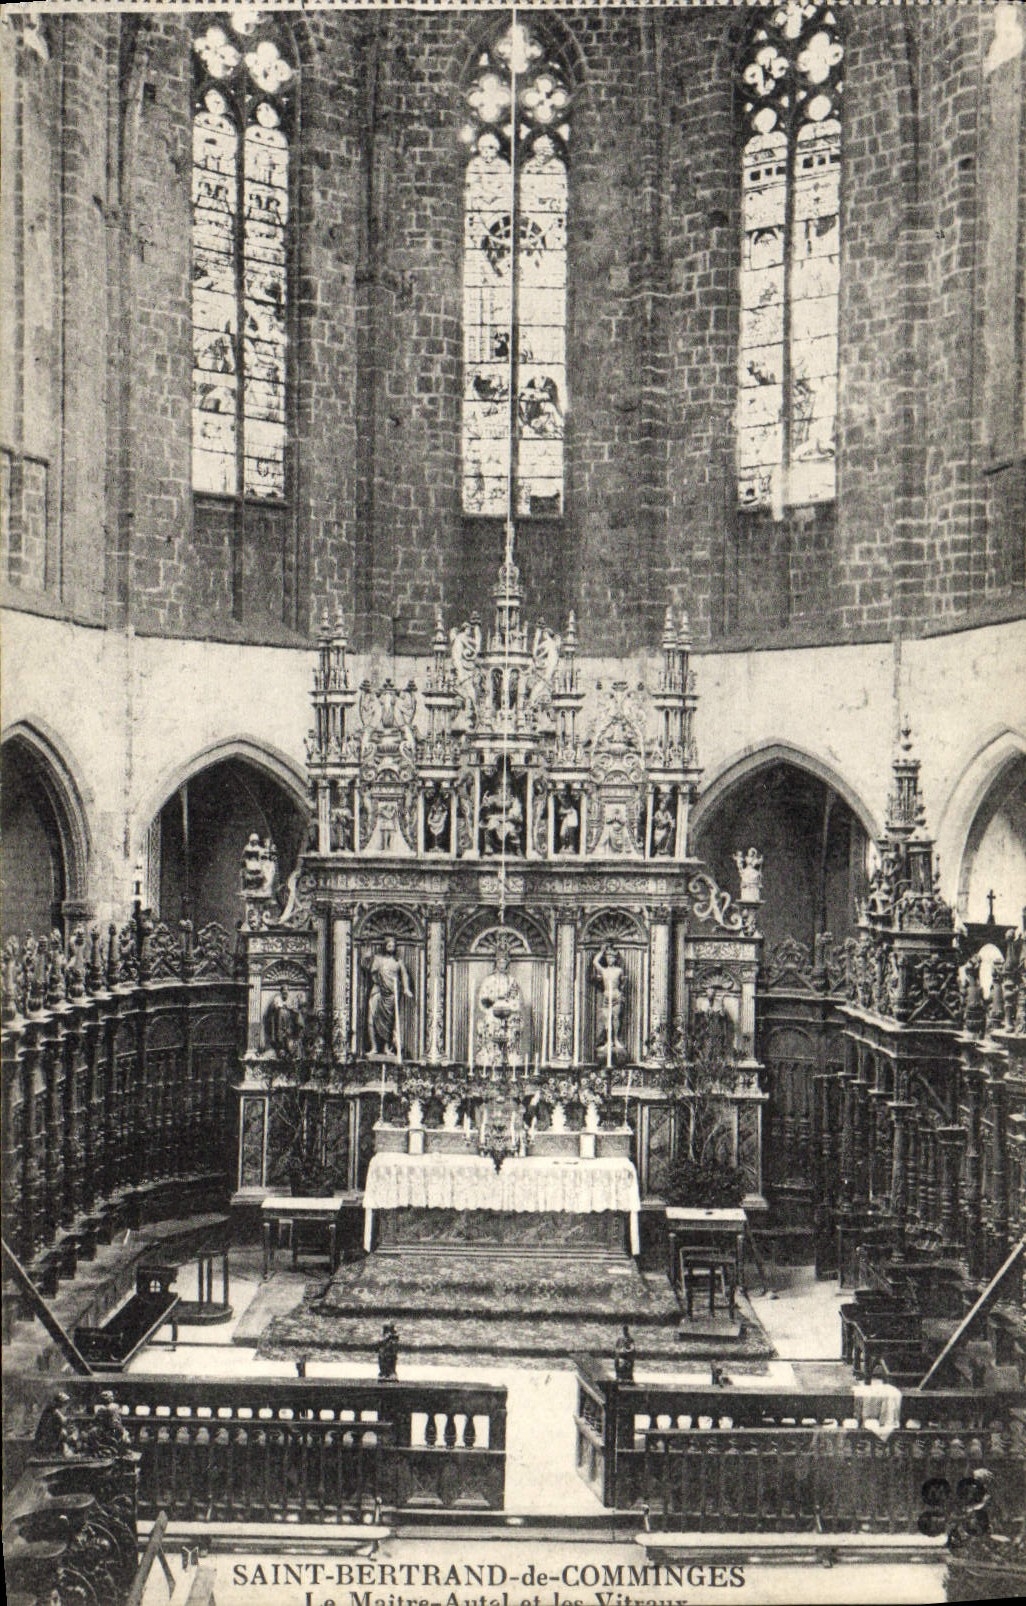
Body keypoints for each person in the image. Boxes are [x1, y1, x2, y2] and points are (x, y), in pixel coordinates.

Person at [475, 938, 524, 1068]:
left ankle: (510, 1057)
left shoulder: (511, 981)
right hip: (492, 1015)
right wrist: (494, 1003)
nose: (502, 964)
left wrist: (508, 1004)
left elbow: (516, 1001)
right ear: (496, 962)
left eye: (504, 962)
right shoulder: (488, 980)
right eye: (500, 961)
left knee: (514, 1024)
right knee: (489, 1023)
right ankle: (491, 1057)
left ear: (508, 963)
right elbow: (483, 1000)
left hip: (508, 1016)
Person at [365, 938, 413, 1057]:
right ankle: (374, 1047)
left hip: (391, 994)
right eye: (389, 945)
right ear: (385, 946)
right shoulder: (378, 959)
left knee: (389, 1022)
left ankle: (386, 1048)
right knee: (371, 1019)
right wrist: (366, 956)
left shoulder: (398, 962)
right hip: (378, 991)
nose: (391, 948)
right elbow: (368, 969)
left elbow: (404, 975)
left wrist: (406, 988)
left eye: (393, 946)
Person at [592, 944, 625, 1054]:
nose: (609, 959)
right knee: (607, 1020)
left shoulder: (619, 970)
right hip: (606, 997)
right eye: (608, 957)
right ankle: (609, 1040)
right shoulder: (603, 970)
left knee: (616, 1018)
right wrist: (601, 951)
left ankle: (616, 1039)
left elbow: (622, 983)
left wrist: (621, 992)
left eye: (611, 957)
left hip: (616, 996)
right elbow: (595, 962)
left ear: (615, 959)